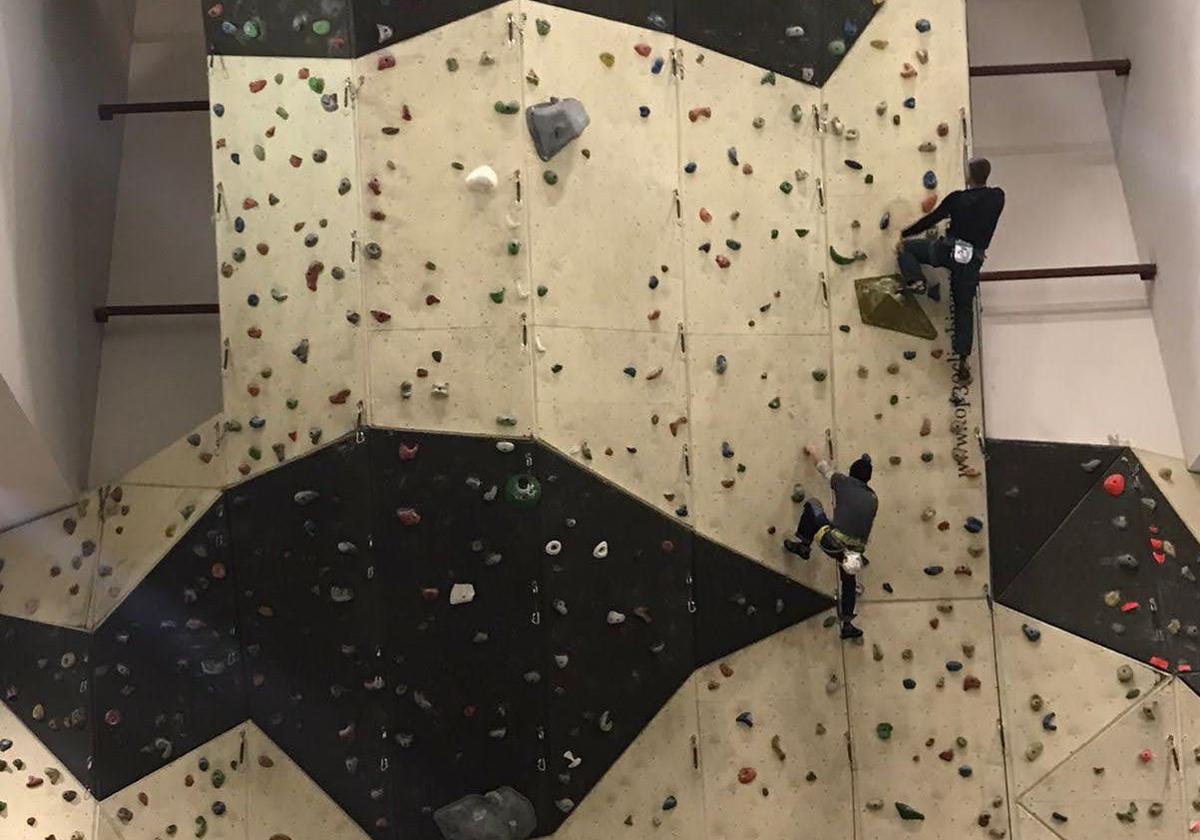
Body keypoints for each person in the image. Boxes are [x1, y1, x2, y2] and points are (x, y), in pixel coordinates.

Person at [895, 158, 1006, 384]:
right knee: (964, 307)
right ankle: (964, 360)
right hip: (971, 257)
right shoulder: (997, 197)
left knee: (908, 249)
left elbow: (932, 219)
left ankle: (916, 280)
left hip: (951, 249)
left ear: (968, 176)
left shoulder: (957, 199)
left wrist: (904, 234)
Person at [783, 448, 877, 639]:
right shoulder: (874, 499)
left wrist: (812, 451)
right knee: (848, 583)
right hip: (854, 555)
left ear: (852, 472)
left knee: (813, 505)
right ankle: (848, 625)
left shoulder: (843, 482)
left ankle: (804, 546)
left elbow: (823, 467)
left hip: (832, 542)